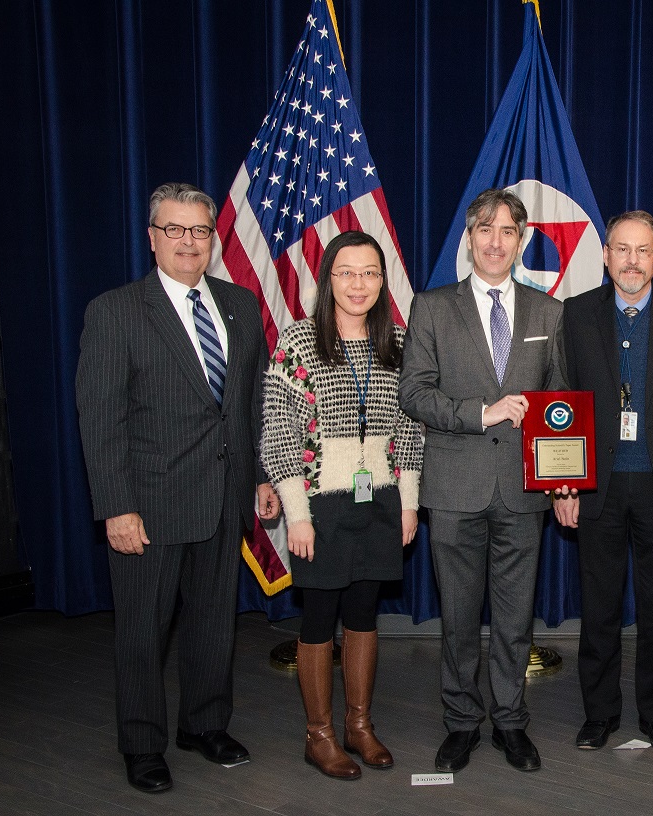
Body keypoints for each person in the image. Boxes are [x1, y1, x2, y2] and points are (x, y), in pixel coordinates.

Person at [76, 182, 279, 793]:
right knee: (142, 631)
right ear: (153, 237)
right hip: (150, 505)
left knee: (215, 622)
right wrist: (116, 507)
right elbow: (100, 417)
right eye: (175, 230)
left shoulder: (241, 306)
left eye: (198, 231)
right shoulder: (114, 311)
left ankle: (204, 724)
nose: (188, 242)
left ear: (212, 239)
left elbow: (252, 405)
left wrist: (263, 476)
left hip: (225, 497)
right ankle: (142, 744)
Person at [399, 188, 565, 773]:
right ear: (468, 240)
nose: (496, 242)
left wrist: (564, 477)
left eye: (508, 232)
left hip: (524, 490)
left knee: (516, 618)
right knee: (460, 618)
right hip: (453, 488)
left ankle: (512, 723)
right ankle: (462, 722)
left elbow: (558, 406)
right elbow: (413, 393)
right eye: (485, 231)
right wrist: (481, 412)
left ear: (521, 243)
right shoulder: (432, 306)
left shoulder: (550, 312)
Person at [261, 231, 423, 780]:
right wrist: (297, 515)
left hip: (379, 503)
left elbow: (410, 428)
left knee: (363, 614)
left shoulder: (398, 344)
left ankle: (359, 725)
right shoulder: (298, 341)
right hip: (318, 509)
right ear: (328, 278)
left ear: (383, 281)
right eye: (347, 272)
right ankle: (320, 735)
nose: (359, 284)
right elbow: (278, 434)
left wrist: (408, 502)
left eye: (370, 273)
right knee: (318, 619)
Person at [553, 211, 653, 752]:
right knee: (599, 608)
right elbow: (560, 399)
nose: (632, 261)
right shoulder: (573, 315)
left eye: (643, 250)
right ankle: (599, 715)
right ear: (605, 255)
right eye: (622, 249)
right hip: (596, 484)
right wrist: (564, 484)